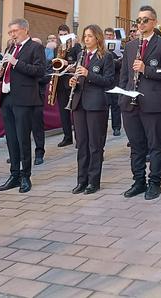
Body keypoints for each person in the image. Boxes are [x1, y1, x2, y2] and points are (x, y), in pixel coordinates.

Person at [119, 5, 161, 200]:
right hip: (130, 102)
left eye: (145, 20)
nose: (140, 23)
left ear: (154, 22)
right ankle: (138, 181)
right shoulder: (130, 46)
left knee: (155, 145)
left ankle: (155, 182)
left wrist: (146, 70)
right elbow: (124, 75)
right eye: (138, 20)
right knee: (136, 145)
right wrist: (122, 97)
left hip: (152, 103)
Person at [0, 18, 46, 193]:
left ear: (25, 30)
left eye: (14, 31)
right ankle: (14, 174)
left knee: (22, 138)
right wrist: (0, 72)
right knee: (11, 139)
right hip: (7, 96)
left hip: (24, 99)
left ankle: (26, 176)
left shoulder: (35, 47)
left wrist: (16, 63)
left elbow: (40, 71)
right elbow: (9, 71)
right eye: (10, 32)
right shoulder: (11, 48)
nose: (12, 35)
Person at [69, 25, 115, 195]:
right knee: (81, 144)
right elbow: (80, 77)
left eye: (90, 36)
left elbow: (109, 81)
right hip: (80, 103)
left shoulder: (106, 57)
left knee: (95, 145)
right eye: (85, 36)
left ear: (97, 38)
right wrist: (74, 81)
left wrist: (89, 75)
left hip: (96, 104)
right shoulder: (81, 55)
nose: (86, 39)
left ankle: (93, 181)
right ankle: (82, 180)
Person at [55, 24, 82, 147]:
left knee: (75, 112)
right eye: (60, 35)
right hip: (60, 82)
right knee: (63, 112)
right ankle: (67, 137)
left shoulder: (76, 46)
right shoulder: (58, 48)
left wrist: (67, 63)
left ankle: (79, 138)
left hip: (71, 82)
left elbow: (79, 61)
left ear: (69, 34)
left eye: (65, 34)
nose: (63, 37)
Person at [32, 37, 52, 166]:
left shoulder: (44, 61)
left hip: (37, 96)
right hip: (23, 97)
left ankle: (39, 152)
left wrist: (30, 79)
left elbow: (47, 77)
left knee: (37, 127)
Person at [104, 27, 122, 136]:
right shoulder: (102, 48)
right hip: (105, 81)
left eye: (111, 35)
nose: (109, 37)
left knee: (116, 105)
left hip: (115, 79)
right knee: (105, 105)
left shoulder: (119, 48)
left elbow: (121, 64)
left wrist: (113, 62)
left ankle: (116, 127)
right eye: (107, 35)